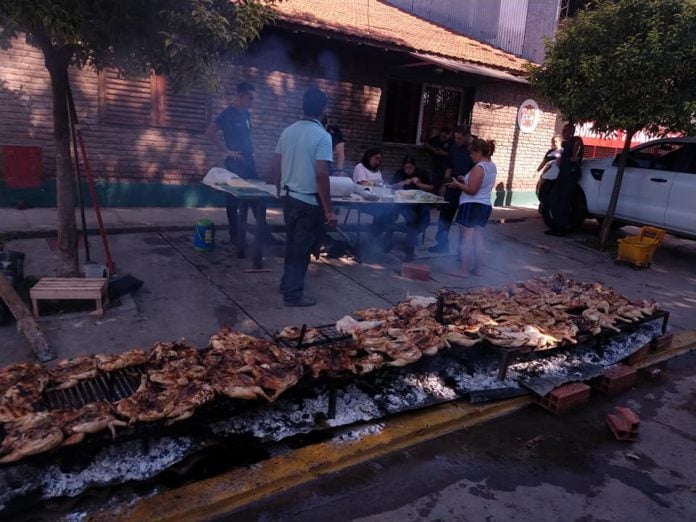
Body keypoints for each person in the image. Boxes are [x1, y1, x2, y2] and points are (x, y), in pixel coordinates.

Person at [271, 86, 337, 307]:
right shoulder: (323, 136)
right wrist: (328, 209)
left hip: (289, 198)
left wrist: (278, 188)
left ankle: (286, 283)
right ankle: (293, 294)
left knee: (292, 245)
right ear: (323, 110)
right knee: (301, 250)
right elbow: (321, 174)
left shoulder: (287, 131)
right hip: (308, 203)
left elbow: (275, 164)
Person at [206, 82, 280, 245]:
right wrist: (227, 151)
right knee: (234, 201)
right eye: (250, 98)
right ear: (240, 96)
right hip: (235, 163)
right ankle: (236, 237)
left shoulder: (246, 114)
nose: (252, 102)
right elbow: (210, 132)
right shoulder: (227, 114)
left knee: (259, 199)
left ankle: (264, 236)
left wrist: (253, 152)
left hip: (249, 162)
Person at [445, 138, 497, 277]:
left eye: (472, 153)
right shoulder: (491, 166)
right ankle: (478, 269)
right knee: (478, 237)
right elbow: (480, 184)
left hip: (471, 205)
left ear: (479, 152)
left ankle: (463, 270)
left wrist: (457, 184)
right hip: (484, 205)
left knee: (466, 238)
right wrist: (464, 179)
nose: (470, 156)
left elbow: (472, 190)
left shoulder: (479, 167)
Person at [428, 125, 475, 253]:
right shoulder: (454, 146)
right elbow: (449, 166)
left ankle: (461, 252)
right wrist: (445, 183)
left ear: (467, 137)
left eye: (459, 138)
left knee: (464, 221)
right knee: (444, 215)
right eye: (455, 138)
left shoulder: (476, 147)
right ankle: (442, 245)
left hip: (468, 189)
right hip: (452, 186)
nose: (456, 141)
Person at [386, 154, 434, 261]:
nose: (408, 170)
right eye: (406, 168)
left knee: (425, 220)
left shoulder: (421, 173)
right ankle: (410, 243)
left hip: (420, 202)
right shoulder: (400, 173)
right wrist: (402, 183)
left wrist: (419, 183)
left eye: (410, 168)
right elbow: (391, 186)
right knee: (410, 218)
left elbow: (431, 188)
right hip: (404, 203)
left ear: (414, 167)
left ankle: (412, 237)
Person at [545, 124, 584, 236]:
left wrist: (565, 161)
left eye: (565, 131)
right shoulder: (566, 143)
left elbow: (574, 157)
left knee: (564, 201)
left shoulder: (576, 141)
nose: (563, 133)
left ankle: (562, 227)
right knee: (554, 199)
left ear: (571, 131)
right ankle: (556, 226)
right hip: (562, 174)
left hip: (570, 175)